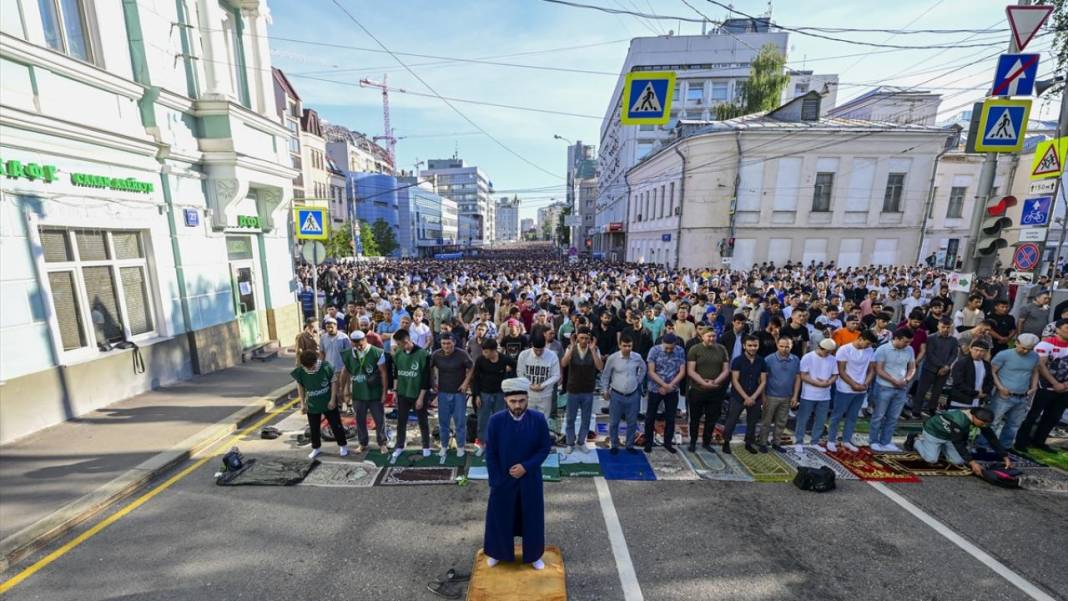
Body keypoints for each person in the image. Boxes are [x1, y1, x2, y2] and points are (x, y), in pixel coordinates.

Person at [482, 378, 553, 570]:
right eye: (513, 402)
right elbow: (491, 453)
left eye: (521, 401)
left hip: (529, 479)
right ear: (506, 401)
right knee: (500, 517)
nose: (518, 405)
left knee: (532, 517)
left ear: (527, 399)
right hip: (503, 479)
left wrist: (526, 466)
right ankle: (498, 553)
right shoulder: (495, 421)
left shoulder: (538, 419)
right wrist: (495, 481)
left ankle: (534, 555)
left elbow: (544, 447)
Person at [906, 407, 1012, 475]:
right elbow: (959, 444)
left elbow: (991, 437)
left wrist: (1004, 456)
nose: (984, 425)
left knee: (958, 461)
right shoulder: (959, 421)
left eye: (986, 423)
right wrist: (973, 463)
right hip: (934, 432)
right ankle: (916, 440)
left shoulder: (978, 419)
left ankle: (941, 449)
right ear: (975, 417)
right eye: (983, 423)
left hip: (950, 436)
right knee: (931, 459)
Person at [1015, 318, 1068, 452]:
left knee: (1053, 416)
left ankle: (1039, 441)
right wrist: (1055, 383)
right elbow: (1041, 366)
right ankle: (1021, 441)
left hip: (1064, 389)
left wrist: (1065, 384)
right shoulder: (1045, 344)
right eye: (1067, 328)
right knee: (1033, 414)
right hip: (1043, 387)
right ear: (1057, 329)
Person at [985, 333, 1040, 451]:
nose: (1025, 351)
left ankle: (1005, 446)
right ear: (1016, 342)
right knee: (993, 422)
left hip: (1023, 395)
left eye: (1029, 349)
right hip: (1003, 395)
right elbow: (992, 371)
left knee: (1014, 425)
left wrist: (1034, 386)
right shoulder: (1004, 354)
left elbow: (1035, 372)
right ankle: (983, 445)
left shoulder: (1035, 356)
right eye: (1023, 348)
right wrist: (1000, 387)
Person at [291, 350, 348, 459]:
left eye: (311, 366)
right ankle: (316, 448)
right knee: (314, 428)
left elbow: (334, 382)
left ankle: (343, 446)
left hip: (328, 403)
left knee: (336, 425)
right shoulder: (301, 371)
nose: (310, 369)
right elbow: (300, 387)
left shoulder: (326, 367)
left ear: (315, 361)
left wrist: (332, 400)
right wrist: (302, 403)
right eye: (307, 367)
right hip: (313, 404)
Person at [338, 330, 388, 452]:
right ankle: (363, 443)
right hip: (358, 393)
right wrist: (342, 389)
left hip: (374, 393)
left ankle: (382, 443)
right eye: (355, 345)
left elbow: (384, 373)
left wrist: (384, 393)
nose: (359, 347)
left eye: (361, 344)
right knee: (359, 419)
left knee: (379, 419)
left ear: (365, 340)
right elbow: (345, 372)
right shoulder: (349, 353)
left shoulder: (377, 352)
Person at [827, 330, 877, 452]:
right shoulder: (844, 349)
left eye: (870, 344)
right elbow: (841, 370)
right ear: (860, 338)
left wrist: (866, 383)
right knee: (837, 416)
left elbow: (871, 370)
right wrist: (853, 384)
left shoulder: (870, 350)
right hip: (844, 388)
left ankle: (846, 440)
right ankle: (831, 440)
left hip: (861, 389)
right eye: (867, 343)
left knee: (853, 416)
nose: (868, 346)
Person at [870, 329, 916, 452]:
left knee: (893, 417)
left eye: (909, 342)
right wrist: (894, 381)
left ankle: (886, 441)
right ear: (896, 338)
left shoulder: (910, 350)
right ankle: (873, 441)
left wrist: (906, 380)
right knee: (878, 416)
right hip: (884, 387)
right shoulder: (883, 349)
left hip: (901, 388)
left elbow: (912, 367)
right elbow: (879, 370)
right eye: (906, 342)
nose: (908, 345)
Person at [600, 333, 647, 454]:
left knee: (632, 422)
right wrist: (605, 390)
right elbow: (606, 375)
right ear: (620, 345)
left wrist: (638, 380)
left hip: (633, 395)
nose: (627, 348)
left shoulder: (637, 357)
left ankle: (630, 445)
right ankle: (614, 445)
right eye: (625, 346)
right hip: (616, 395)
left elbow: (644, 368)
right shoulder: (613, 358)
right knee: (614, 422)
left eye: (629, 346)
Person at [390, 329, 432, 460]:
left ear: (408, 340)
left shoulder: (423, 354)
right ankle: (399, 446)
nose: (402, 346)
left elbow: (426, 379)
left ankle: (426, 446)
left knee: (422, 421)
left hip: (418, 394)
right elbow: (396, 374)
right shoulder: (398, 354)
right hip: (403, 393)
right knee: (401, 421)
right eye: (399, 344)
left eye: (404, 343)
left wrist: (420, 398)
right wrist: (395, 392)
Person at [686, 329, 730, 452]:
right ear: (702, 336)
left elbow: (726, 369)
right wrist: (702, 382)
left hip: (716, 391)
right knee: (695, 418)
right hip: (697, 390)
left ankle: (706, 442)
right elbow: (690, 370)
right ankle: (693, 442)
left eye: (714, 336)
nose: (711, 339)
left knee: (711, 418)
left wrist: (714, 382)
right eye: (709, 336)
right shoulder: (695, 349)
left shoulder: (722, 349)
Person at [431, 335, 474, 457]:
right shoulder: (436, 354)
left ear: (454, 343)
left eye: (448, 343)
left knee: (460, 421)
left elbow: (472, 367)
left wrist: (466, 383)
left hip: (459, 393)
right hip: (443, 392)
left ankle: (461, 446)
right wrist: (433, 382)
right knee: (443, 422)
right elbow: (429, 368)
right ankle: (444, 446)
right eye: (443, 343)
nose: (446, 346)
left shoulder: (462, 354)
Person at [561, 327, 602, 453]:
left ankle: (581, 441)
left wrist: (593, 350)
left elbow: (600, 367)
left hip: (588, 390)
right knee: (570, 418)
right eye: (581, 338)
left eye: (586, 338)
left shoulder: (594, 349)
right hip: (573, 389)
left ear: (590, 339)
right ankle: (570, 442)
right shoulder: (571, 348)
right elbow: (563, 363)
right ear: (577, 337)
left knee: (586, 418)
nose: (584, 341)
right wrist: (572, 347)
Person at [723, 335, 767, 454]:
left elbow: (763, 381)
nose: (753, 348)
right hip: (738, 396)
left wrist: (753, 397)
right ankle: (726, 442)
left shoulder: (761, 361)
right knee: (731, 420)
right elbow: (735, 381)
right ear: (744, 346)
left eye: (755, 345)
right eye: (750, 345)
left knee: (752, 422)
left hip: (755, 396)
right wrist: (746, 397)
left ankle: (748, 443)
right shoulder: (737, 360)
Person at [644, 333, 687, 454]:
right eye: (666, 348)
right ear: (662, 343)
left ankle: (668, 442)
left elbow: (682, 372)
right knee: (650, 416)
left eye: (671, 348)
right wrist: (664, 385)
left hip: (672, 388)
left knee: (670, 417)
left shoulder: (680, 351)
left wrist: (670, 386)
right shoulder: (654, 350)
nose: (669, 350)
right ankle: (648, 442)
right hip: (655, 388)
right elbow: (651, 371)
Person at [471, 339, 515, 454]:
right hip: (484, 393)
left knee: (500, 419)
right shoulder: (480, 360)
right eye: (483, 352)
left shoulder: (504, 359)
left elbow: (516, 366)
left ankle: (499, 444)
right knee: (482, 420)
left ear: (493, 351)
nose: (484, 354)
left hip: (500, 394)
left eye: (486, 352)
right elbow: (475, 378)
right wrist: (476, 395)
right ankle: (482, 444)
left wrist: (509, 375)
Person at [794, 338, 839, 452]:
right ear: (820, 348)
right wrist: (818, 383)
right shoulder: (808, 357)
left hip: (825, 395)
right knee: (803, 419)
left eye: (830, 352)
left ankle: (815, 441)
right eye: (827, 352)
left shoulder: (832, 359)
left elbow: (835, 375)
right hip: (808, 394)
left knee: (821, 420)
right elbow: (803, 375)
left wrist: (828, 382)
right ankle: (799, 441)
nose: (828, 354)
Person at [911, 317, 958, 418]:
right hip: (929, 368)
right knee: (922, 391)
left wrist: (947, 367)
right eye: (943, 327)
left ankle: (931, 409)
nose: (945, 329)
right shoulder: (931, 338)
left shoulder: (953, 340)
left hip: (944, 371)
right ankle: (916, 410)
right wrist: (943, 366)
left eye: (948, 327)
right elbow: (930, 354)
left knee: (937, 392)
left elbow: (954, 354)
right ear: (938, 326)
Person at [760, 336, 800, 453]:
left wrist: (795, 396)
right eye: (781, 346)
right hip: (771, 396)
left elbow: (798, 378)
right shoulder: (769, 359)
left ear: (791, 346)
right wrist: (763, 396)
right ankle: (762, 442)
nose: (784, 349)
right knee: (766, 421)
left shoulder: (796, 359)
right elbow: (763, 379)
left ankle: (776, 442)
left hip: (787, 396)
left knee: (782, 421)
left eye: (787, 346)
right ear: (777, 345)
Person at [517, 334, 561, 418]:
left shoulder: (552, 356)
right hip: (528, 395)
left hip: (545, 395)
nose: (538, 353)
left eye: (541, 350)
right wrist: (530, 385)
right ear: (532, 346)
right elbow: (520, 372)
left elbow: (556, 375)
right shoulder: (524, 355)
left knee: (543, 421)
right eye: (536, 350)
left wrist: (543, 385)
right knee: (528, 421)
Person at [949, 340, 993, 411]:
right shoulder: (961, 363)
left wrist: (985, 392)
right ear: (970, 349)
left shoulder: (986, 365)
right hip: (960, 401)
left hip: (977, 402)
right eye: (976, 350)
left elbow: (990, 381)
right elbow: (958, 382)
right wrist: (975, 393)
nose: (978, 353)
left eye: (982, 351)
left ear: (986, 352)